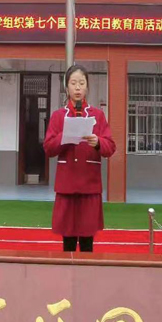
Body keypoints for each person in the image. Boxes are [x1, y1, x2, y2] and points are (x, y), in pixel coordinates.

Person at [43, 65, 116, 252]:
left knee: (87, 242)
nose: (77, 88)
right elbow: (48, 148)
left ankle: (86, 270)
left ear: (87, 87)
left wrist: (98, 142)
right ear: (66, 87)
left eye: (82, 83)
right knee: (67, 242)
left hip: (89, 187)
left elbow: (110, 147)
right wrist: (65, 136)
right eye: (73, 83)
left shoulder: (98, 116)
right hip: (66, 187)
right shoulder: (58, 116)